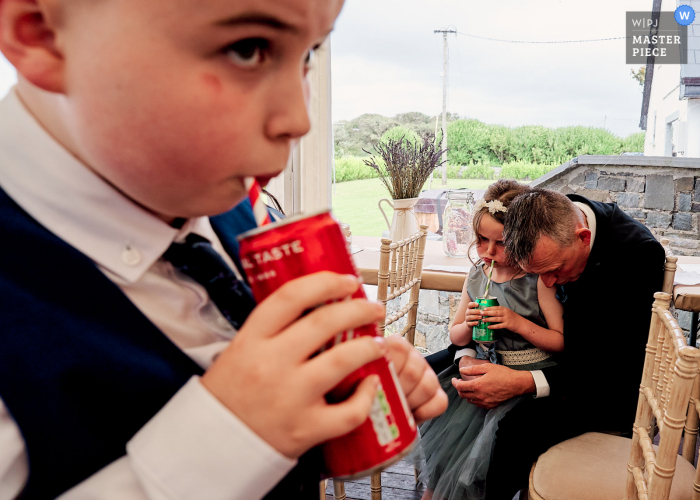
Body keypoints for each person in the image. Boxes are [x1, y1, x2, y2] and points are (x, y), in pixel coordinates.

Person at [0, 1, 448, 499]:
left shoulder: (223, 205)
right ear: (41, 33)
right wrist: (231, 439)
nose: (298, 119)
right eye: (246, 49)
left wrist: (320, 409)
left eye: (308, 54)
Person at [427, 187, 665, 500]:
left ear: (582, 237)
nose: (549, 284)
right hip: (517, 356)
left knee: (515, 429)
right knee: (423, 378)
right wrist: (467, 356)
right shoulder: (544, 214)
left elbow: (609, 368)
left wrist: (521, 382)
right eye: (537, 274)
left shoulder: (636, 257)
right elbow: (466, 323)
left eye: (555, 271)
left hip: (597, 386)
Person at [414, 181, 564, 500]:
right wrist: (467, 324)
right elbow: (455, 336)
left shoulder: (536, 281)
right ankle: (435, 490)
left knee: (486, 460)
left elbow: (559, 341)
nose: (489, 251)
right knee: (448, 439)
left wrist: (517, 322)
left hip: (522, 381)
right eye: (482, 240)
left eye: (502, 243)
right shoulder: (477, 275)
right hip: (486, 370)